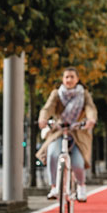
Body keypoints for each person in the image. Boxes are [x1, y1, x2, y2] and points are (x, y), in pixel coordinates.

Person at [37, 67, 97, 202]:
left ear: (77, 79)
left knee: (77, 163)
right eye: (66, 77)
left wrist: (90, 119)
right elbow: (48, 108)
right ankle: (54, 187)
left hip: (77, 132)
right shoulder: (56, 94)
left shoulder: (84, 94)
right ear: (62, 79)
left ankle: (81, 186)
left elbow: (90, 108)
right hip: (59, 130)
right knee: (52, 154)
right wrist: (43, 119)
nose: (69, 79)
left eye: (72, 77)